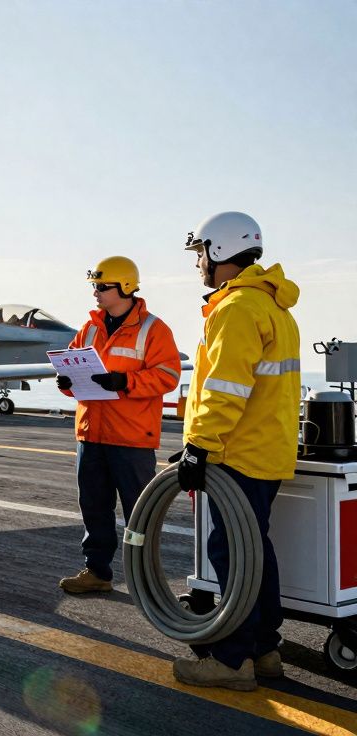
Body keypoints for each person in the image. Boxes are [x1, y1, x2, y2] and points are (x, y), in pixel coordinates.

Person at [172, 211, 301, 691]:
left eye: (201, 253)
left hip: (239, 455)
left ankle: (231, 661)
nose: (198, 264)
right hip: (266, 453)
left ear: (220, 251)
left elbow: (225, 390)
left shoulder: (237, 309)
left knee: (230, 555)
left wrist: (198, 448)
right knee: (255, 553)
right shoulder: (274, 307)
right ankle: (265, 651)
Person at [57, 256, 181, 594]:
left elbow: (168, 375)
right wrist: (66, 381)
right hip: (91, 435)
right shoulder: (90, 328)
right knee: (94, 508)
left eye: (101, 286)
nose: (95, 292)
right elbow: (73, 364)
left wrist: (125, 381)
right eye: (95, 286)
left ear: (124, 287)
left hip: (131, 439)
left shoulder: (154, 329)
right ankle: (97, 572)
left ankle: (147, 580)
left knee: (139, 514)